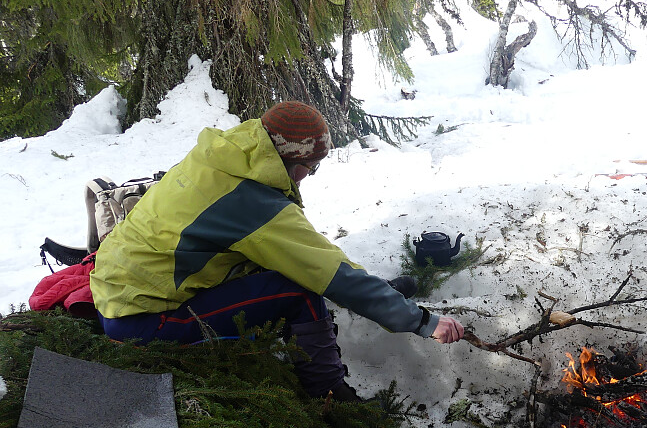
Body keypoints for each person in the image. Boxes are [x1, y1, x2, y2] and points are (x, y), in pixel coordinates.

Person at [89, 100, 464, 402]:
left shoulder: (229, 157)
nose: (308, 177)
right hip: (143, 322)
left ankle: (366, 305)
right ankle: (330, 397)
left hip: (119, 293)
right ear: (292, 161)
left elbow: (311, 254)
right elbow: (324, 270)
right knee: (299, 289)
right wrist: (423, 322)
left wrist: (373, 289)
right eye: (311, 168)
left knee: (290, 266)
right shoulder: (250, 201)